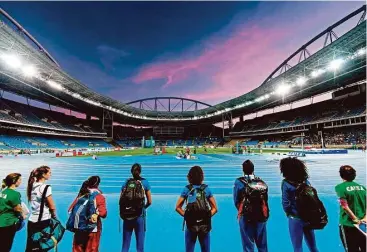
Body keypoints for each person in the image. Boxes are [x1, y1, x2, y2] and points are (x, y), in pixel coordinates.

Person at [280, 157, 319, 252]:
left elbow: (285, 203)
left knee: (297, 248)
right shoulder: (306, 182)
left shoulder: (286, 183)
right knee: (313, 246)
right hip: (308, 217)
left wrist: (289, 213)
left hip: (295, 217)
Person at [175, 166, 218, 252]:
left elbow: (177, 207)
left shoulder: (187, 189)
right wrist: (208, 216)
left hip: (191, 225)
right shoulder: (206, 189)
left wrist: (187, 216)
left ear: (189, 177)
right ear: (202, 177)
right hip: (204, 225)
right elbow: (215, 208)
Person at [233, 160, 269, 252]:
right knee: (262, 245)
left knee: (248, 246)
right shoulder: (261, 182)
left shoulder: (239, 182)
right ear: (253, 169)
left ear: (243, 170)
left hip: (246, 217)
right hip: (260, 216)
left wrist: (244, 210)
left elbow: (236, 200)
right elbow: (265, 200)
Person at [69, 176, 107, 252]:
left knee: (77, 249)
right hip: (93, 229)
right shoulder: (99, 196)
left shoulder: (81, 195)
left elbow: (70, 210)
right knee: (92, 249)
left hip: (79, 228)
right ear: (97, 184)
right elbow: (103, 213)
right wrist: (96, 214)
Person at [120, 163, 152, 252]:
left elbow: (121, 200)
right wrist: (143, 208)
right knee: (140, 246)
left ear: (131, 172)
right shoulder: (145, 182)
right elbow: (150, 201)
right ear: (140, 171)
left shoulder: (126, 182)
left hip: (127, 216)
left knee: (125, 245)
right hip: (139, 216)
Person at [335, 165, 366, 252]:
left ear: (341, 175)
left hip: (348, 224)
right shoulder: (363, 188)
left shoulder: (340, 187)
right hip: (364, 224)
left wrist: (355, 218)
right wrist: (365, 218)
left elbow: (344, 205)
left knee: (351, 249)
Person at [26, 166, 57, 252]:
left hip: (32, 219)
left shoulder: (32, 185)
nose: (50, 174)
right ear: (43, 174)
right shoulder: (46, 187)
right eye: (49, 173)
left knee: (31, 245)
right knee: (41, 245)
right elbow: (52, 205)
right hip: (43, 219)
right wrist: (54, 216)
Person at [0, 173, 25, 252]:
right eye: (20, 180)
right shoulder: (15, 194)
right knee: (6, 247)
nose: (20, 181)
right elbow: (18, 209)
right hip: (8, 224)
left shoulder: (2, 192)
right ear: (15, 181)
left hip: (1, 221)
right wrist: (22, 216)